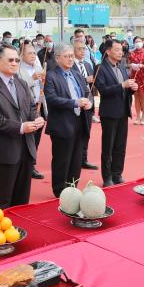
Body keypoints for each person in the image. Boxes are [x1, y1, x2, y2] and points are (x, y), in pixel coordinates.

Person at [0, 45, 43, 210]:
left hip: (26, 148)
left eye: (17, 60)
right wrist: (21, 127)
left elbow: (30, 108)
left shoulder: (21, 83)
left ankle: (19, 230)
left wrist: (37, 119)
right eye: (10, 60)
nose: (15, 63)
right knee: (0, 200)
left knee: (21, 200)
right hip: (3, 150)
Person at [44, 43, 93, 197]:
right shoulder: (51, 76)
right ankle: (59, 190)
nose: (71, 59)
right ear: (57, 58)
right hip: (62, 124)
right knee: (62, 159)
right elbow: (51, 99)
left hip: (80, 121)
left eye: (72, 55)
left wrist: (89, 102)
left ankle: (73, 187)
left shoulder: (77, 74)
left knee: (77, 158)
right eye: (67, 56)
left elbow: (86, 91)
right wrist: (74, 103)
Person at [95, 39, 137, 187]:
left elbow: (125, 89)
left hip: (123, 111)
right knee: (108, 146)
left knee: (120, 145)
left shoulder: (121, 67)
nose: (121, 52)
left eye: (121, 50)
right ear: (108, 51)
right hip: (109, 112)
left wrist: (131, 88)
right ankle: (107, 177)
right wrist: (122, 85)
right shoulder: (100, 68)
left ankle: (117, 173)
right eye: (117, 49)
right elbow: (103, 90)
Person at [17, 41, 46, 179]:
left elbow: (42, 86)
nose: (33, 55)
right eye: (30, 53)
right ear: (22, 55)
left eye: (34, 53)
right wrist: (32, 78)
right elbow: (19, 86)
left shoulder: (38, 66)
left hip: (38, 105)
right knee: (26, 138)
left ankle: (32, 164)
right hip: (24, 108)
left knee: (36, 137)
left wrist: (43, 79)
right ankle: (23, 165)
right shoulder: (17, 68)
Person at [72, 40, 98, 170]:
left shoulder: (88, 65)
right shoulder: (70, 65)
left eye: (84, 49)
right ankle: (75, 158)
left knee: (86, 132)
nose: (82, 51)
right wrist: (84, 79)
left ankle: (84, 158)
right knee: (76, 133)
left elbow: (92, 83)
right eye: (79, 49)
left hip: (88, 103)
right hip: (75, 104)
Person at [127, 36, 144, 125]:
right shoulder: (131, 53)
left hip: (143, 77)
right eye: (136, 41)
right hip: (134, 77)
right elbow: (128, 64)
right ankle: (138, 116)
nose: (138, 43)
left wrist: (141, 66)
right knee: (136, 96)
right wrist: (132, 65)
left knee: (143, 97)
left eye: (140, 41)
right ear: (134, 43)